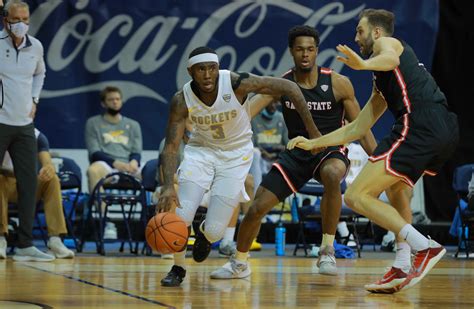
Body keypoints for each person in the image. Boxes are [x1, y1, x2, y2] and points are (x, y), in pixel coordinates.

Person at [287, 9, 459, 293]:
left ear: (376, 32)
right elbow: (357, 128)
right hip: (440, 129)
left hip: (419, 124)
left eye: (360, 31)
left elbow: (389, 56)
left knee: (355, 196)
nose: (356, 38)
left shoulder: (388, 45)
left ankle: (423, 247)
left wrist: (362, 66)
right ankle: (402, 264)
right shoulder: (383, 79)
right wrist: (314, 142)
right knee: (397, 191)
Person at [211, 25, 376, 279]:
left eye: (310, 49)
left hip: (329, 150)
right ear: (291, 52)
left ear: (317, 51)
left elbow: (361, 128)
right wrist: (219, 125)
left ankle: (327, 249)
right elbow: (248, 113)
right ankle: (240, 263)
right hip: (296, 153)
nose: (305, 54)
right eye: (300, 49)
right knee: (256, 208)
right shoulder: (282, 84)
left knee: (333, 174)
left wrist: (379, 160)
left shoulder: (339, 83)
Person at [157, 46, 320, 287]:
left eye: (212, 68)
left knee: (214, 231)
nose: (207, 75)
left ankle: (204, 233)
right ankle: (178, 267)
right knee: (180, 216)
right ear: (190, 71)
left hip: (235, 156)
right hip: (201, 152)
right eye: (201, 70)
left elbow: (289, 87)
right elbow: (171, 146)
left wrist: (313, 131)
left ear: (218, 68)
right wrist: (168, 185)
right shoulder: (181, 100)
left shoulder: (236, 83)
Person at [0, 0, 54, 261]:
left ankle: (24, 244)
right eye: (16, 19)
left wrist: (34, 100)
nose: (21, 24)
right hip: (0, 122)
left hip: (24, 125)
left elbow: (40, 74)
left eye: (25, 19)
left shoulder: (36, 46)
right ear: (5, 20)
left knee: (29, 183)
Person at [0, 127, 74, 259]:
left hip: (27, 184)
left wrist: (48, 168)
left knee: (52, 179)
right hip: (5, 182)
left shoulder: (38, 135)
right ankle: (1, 239)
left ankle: (55, 240)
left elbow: (47, 162)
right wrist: (20, 173)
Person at [85, 86, 143, 239]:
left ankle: (152, 222)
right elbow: (94, 152)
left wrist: (134, 162)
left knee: (155, 172)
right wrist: (115, 163)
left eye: (117, 99)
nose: (115, 102)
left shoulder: (133, 125)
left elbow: (137, 151)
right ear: (104, 104)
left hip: (129, 166)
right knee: (93, 171)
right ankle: (107, 221)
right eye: (111, 100)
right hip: (107, 166)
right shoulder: (93, 123)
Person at [251, 100, 288, 185]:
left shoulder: (281, 118)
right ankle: (257, 192)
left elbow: (288, 145)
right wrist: (264, 153)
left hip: (277, 157)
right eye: (272, 102)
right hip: (261, 158)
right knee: (254, 153)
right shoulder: (254, 118)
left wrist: (276, 154)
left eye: (276, 102)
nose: (275, 105)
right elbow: (251, 146)